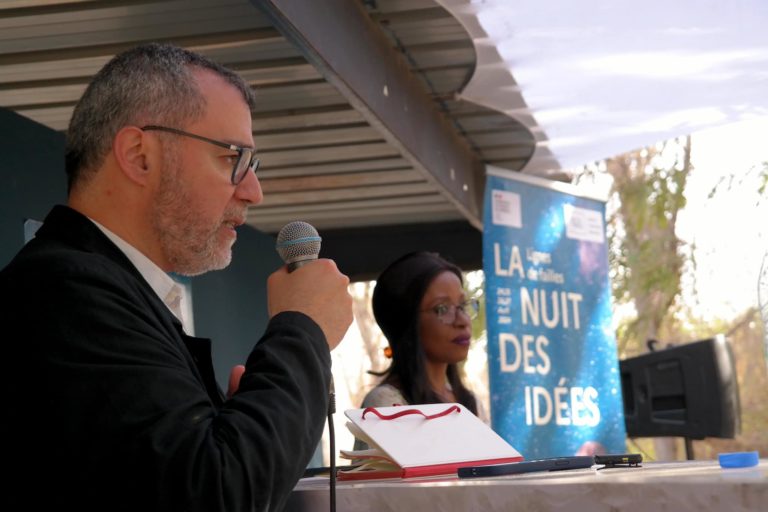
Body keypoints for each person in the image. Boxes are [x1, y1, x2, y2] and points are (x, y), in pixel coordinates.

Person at [0, 43, 353, 512]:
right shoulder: (62, 291)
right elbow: (216, 494)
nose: (254, 191)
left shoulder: (96, 288)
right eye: (233, 158)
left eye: (252, 165)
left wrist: (246, 422)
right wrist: (302, 329)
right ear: (139, 156)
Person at [360, 251, 481, 415]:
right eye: (442, 309)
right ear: (407, 321)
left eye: (463, 304)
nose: (463, 321)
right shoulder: (387, 404)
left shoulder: (470, 402)